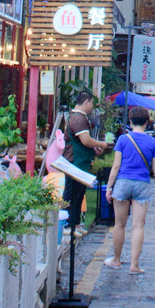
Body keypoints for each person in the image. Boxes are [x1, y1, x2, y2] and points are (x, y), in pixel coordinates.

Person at [106, 107, 155, 274]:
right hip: (142, 183)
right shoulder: (153, 143)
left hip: (123, 182)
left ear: (130, 121)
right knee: (138, 225)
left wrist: (109, 187)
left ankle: (116, 260)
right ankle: (134, 265)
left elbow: (116, 165)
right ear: (147, 123)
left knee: (119, 224)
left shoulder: (123, 140)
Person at [61, 93, 110, 232]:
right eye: (91, 103)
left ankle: (75, 223)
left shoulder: (78, 117)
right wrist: (101, 144)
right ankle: (68, 224)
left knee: (79, 193)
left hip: (79, 161)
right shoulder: (78, 119)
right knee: (72, 194)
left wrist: (94, 149)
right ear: (86, 102)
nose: (92, 106)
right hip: (74, 162)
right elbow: (85, 140)